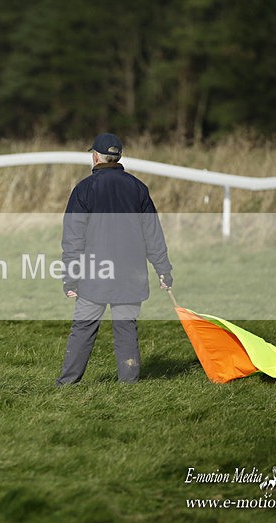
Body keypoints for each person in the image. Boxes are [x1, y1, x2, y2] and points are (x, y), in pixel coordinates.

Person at [56, 133, 173, 385]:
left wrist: (70, 278)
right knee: (126, 328)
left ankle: (67, 384)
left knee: (83, 329)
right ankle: (128, 385)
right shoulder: (138, 188)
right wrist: (163, 270)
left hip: (94, 275)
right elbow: (153, 234)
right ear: (118, 157)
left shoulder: (84, 189)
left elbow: (73, 239)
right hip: (131, 274)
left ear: (96, 157)